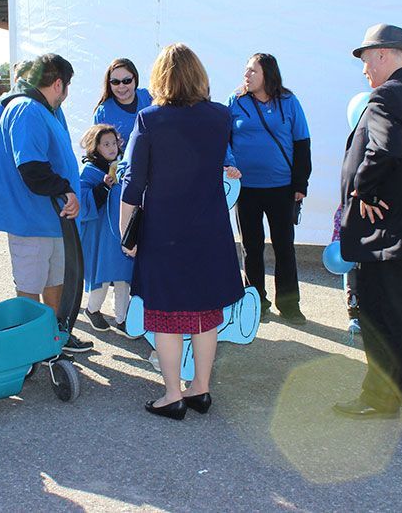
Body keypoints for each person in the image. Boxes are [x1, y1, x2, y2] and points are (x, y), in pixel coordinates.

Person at [121, 43, 243, 420]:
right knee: (207, 314)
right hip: (209, 229)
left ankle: (172, 394)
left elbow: (133, 184)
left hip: (164, 231)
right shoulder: (220, 117)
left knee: (165, 315)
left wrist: (127, 234)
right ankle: (201, 389)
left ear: (160, 78)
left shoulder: (149, 119)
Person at [334, 24, 402, 419]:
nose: (364, 70)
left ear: (382, 54)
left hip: (389, 232)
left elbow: (383, 150)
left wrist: (363, 189)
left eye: (366, 60)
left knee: (381, 315)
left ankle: (379, 399)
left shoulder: (386, 97)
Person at [0, 53, 93, 354]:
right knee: (30, 285)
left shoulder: (39, 108)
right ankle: (31, 344)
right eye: (68, 86)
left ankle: (55, 336)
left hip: (49, 217)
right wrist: (66, 190)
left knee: (54, 279)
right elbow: (31, 168)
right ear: (59, 84)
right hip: (31, 218)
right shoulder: (27, 109)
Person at [225, 52, 312, 322]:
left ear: (268, 75)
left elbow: (302, 143)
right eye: (246, 70)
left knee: (284, 246)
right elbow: (223, 140)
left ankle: (289, 305)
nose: (246, 75)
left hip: (281, 187)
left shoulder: (289, 102)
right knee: (251, 247)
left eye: (253, 71)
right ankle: (256, 302)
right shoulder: (235, 101)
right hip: (247, 188)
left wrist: (300, 183)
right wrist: (229, 164)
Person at [78, 123, 135, 337]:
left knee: (123, 276)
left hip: (120, 232)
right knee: (101, 277)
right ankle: (92, 310)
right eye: (106, 144)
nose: (112, 148)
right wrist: (103, 188)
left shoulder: (122, 167)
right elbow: (82, 203)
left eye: (114, 143)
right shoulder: (89, 172)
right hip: (100, 236)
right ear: (95, 147)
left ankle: (122, 319)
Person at [93, 57, 153, 147]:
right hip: (122, 161)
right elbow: (97, 150)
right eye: (115, 82)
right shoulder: (103, 113)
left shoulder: (149, 97)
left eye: (126, 81)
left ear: (135, 79)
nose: (121, 86)